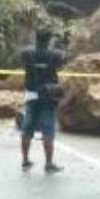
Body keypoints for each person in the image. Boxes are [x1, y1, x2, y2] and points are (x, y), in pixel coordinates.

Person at [20, 29, 66, 173]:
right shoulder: (55, 55)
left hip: (31, 93)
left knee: (27, 126)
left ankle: (25, 160)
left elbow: (22, 58)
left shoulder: (27, 53)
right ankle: (48, 163)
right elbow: (62, 61)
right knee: (48, 128)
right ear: (49, 40)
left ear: (36, 38)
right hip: (48, 94)